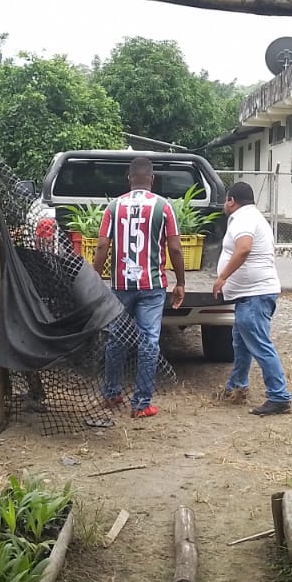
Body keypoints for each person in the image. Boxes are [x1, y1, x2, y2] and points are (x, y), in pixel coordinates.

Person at [93, 157, 185, 418]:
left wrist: (95, 278)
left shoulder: (114, 207)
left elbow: (102, 246)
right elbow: (175, 248)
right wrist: (181, 282)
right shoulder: (163, 207)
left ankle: (111, 394)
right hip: (152, 285)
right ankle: (141, 404)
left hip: (121, 285)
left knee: (117, 338)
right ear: (152, 179)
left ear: (129, 179)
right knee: (148, 342)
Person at [213, 181, 291, 415]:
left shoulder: (244, 218)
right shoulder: (252, 216)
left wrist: (223, 277)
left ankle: (279, 396)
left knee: (259, 344)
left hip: (255, 295)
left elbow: (244, 248)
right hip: (250, 295)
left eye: (226, 200)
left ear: (231, 201)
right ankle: (237, 387)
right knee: (241, 343)